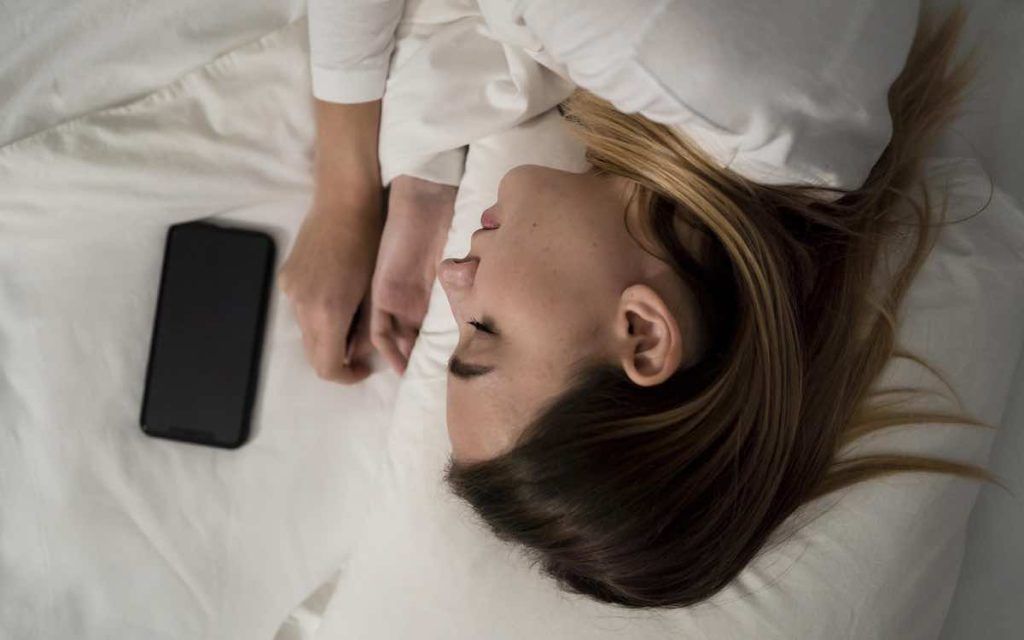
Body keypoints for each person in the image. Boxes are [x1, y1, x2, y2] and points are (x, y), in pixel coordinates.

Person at [280, 1, 988, 608]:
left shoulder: (802, 152)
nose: (451, 278)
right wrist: (344, 192)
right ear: (644, 334)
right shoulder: (655, 43)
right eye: (485, 332)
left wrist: (422, 186)